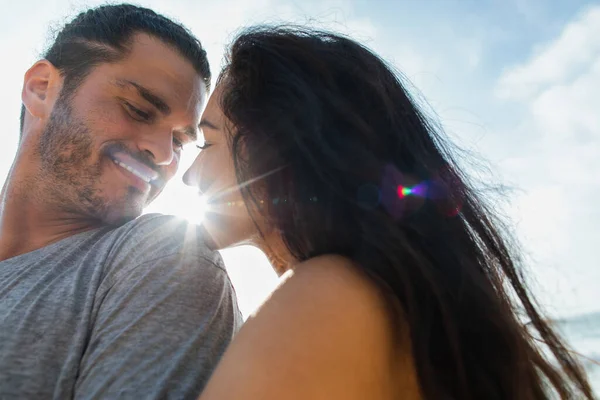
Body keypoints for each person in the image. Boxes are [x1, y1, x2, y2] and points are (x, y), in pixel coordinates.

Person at [184, 26, 594, 399]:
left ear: (271, 149)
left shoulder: (326, 298)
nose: (188, 176)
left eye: (206, 143)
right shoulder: (393, 300)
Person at [0, 4, 241, 399]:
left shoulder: (164, 256)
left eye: (180, 140)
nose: (165, 155)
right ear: (42, 88)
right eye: (139, 109)